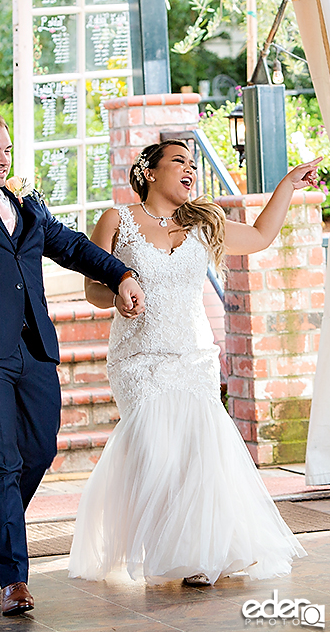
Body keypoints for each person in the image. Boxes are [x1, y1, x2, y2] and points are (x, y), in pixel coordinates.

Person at [0, 109, 145, 616]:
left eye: (6, 150)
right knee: (0, 461)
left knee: (39, 449)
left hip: (32, 349)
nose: (3, 159)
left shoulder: (26, 205)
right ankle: (13, 578)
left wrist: (121, 273)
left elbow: (72, 246)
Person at [68, 140, 320, 585]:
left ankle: (199, 556)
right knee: (156, 451)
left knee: (198, 455)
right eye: (178, 161)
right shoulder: (116, 221)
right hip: (138, 358)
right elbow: (93, 290)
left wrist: (287, 184)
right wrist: (119, 294)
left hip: (193, 355)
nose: (189, 170)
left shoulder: (204, 224)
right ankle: (170, 551)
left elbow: (261, 237)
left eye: (192, 163)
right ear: (149, 172)